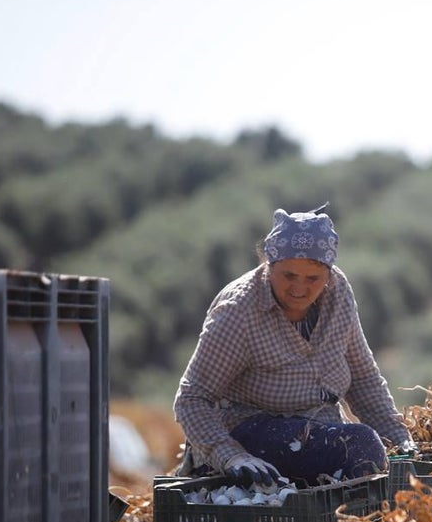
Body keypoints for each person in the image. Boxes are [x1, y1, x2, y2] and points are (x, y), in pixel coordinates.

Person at [173, 204, 416, 486]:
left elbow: (362, 379)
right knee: (359, 444)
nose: (299, 289)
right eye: (288, 276)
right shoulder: (239, 311)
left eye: (312, 278)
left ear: (328, 273)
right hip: (250, 434)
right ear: (268, 264)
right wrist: (231, 456)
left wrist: (400, 442)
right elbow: (192, 399)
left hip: (318, 432)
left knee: (382, 462)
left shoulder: (339, 295)